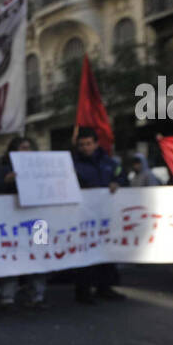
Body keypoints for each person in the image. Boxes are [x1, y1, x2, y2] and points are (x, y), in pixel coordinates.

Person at [71, 128, 123, 303]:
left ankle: (105, 287)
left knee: (106, 252)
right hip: (83, 217)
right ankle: (83, 291)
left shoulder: (109, 162)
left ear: (96, 143)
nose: (85, 148)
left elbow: (121, 176)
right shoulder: (73, 164)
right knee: (85, 253)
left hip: (106, 215)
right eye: (82, 145)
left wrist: (117, 182)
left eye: (88, 144)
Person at [0, 137, 48, 310]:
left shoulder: (42, 168)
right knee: (13, 254)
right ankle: (8, 297)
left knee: (39, 254)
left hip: (38, 219)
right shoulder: (4, 170)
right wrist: (6, 182)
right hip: (13, 220)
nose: (26, 151)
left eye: (29, 148)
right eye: (22, 148)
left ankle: (37, 295)